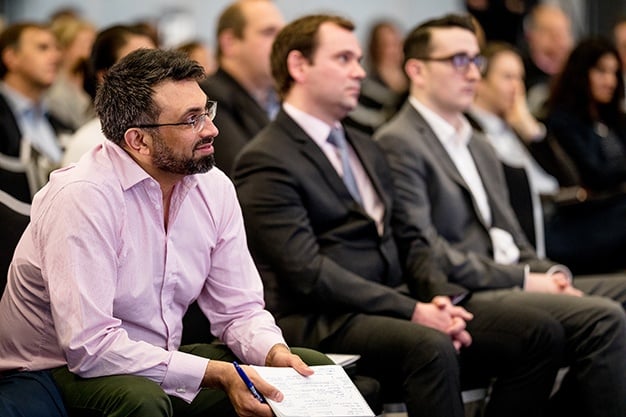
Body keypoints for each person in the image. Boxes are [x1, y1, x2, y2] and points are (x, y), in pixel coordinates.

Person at [232, 13, 588, 417]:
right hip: (322, 316)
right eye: (344, 59)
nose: (360, 72)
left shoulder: (365, 146)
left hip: (391, 302)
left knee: (539, 333)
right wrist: (414, 310)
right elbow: (309, 273)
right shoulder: (267, 157)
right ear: (299, 66)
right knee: (430, 345)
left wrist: (440, 298)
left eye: (359, 60)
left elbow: (411, 238)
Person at [0, 48, 334, 417]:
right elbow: (89, 347)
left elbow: (239, 309)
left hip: (154, 360)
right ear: (138, 140)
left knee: (308, 370)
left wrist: (273, 352)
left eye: (206, 111)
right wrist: (218, 374)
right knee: (142, 400)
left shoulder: (213, 187)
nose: (211, 129)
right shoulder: (83, 197)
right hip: (50, 373)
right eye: (191, 120)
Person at [373, 14, 626, 417]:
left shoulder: (478, 142)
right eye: (458, 60)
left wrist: (550, 273)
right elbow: (427, 251)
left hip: (511, 275)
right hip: (467, 289)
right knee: (603, 319)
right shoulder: (398, 142)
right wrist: (525, 279)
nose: (473, 73)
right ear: (417, 70)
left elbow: (512, 233)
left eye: (476, 61)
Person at [542, 36, 626, 274]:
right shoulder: (563, 120)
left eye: (614, 73)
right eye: (601, 71)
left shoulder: (614, 119)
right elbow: (596, 174)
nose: (610, 81)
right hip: (585, 215)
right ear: (581, 73)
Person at [469, 41, 558, 255]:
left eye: (520, 78)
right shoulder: (470, 129)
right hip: (525, 225)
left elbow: (567, 177)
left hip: (554, 212)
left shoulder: (518, 124)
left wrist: (531, 130)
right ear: (480, 82)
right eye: (508, 77)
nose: (517, 88)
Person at [200, 0, 285, 176]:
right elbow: (246, 172)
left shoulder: (279, 100)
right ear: (230, 42)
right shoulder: (209, 99)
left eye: (282, 34)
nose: (282, 44)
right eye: (269, 32)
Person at [61, 24, 157, 166]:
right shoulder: (88, 145)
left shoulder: (169, 129)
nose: (154, 73)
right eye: (138, 65)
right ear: (106, 76)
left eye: (156, 62)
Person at [0, 22, 70, 202]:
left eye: (56, 48)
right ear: (11, 57)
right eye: (43, 48)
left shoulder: (60, 121)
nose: (56, 56)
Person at [346, 20, 407, 135]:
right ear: (375, 48)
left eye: (396, 44)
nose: (393, 50)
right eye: (386, 45)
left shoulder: (413, 81)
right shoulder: (364, 84)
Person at [521, 3, 573, 115]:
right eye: (549, 31)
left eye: (563, 32)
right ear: (530, 35)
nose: (558, 38)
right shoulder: (519, 70)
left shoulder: (577, 73)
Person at [46, 15, 96, 131]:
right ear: (64, 48)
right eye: (87, 44)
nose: (93, 51)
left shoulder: (92, 80)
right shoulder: (54, 89)